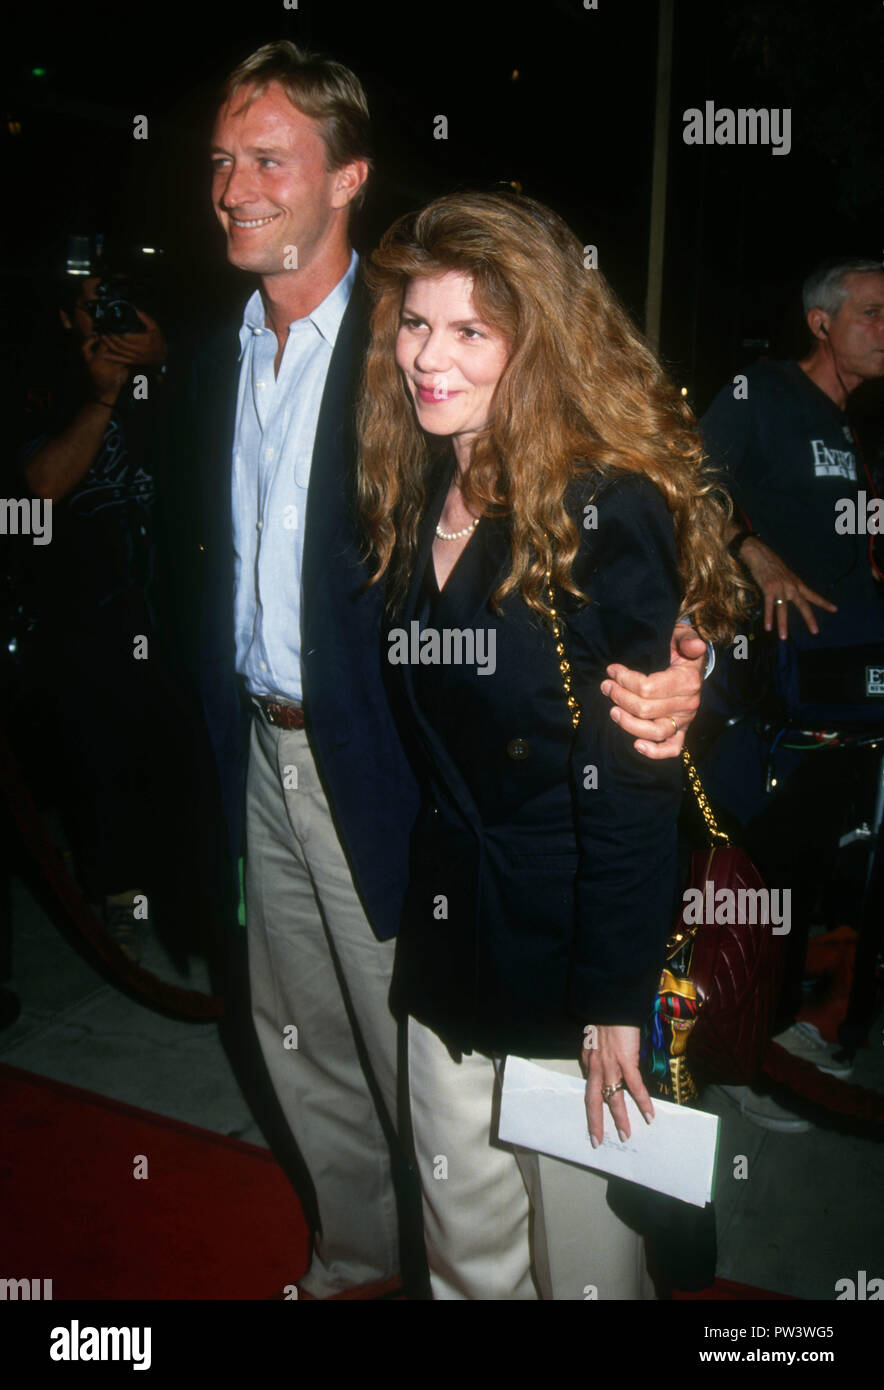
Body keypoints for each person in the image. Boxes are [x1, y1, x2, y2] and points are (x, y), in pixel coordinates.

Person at [189, 40, 709, 1301]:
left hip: (465, 843)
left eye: (269, 158)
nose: (233, 185)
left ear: (345, 177)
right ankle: (357, 1256)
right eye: (219, 160)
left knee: (554, 1212)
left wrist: (701, 661)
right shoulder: (297, 393)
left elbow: (650, 561)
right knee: (372, 1118)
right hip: (340, 812)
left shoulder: (468, 384)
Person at [357, 191, 746, 1299]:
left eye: (471, 330)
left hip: (573, 945)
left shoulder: (601, 504)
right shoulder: (411, 478)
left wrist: (614, 994)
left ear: (537, 343)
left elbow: (632, 782)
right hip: (444, 943)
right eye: (416, 323)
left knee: (583, 1268)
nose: (429, 358)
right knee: (461, 1250)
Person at [699, 259, 884, 1130]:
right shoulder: (763, 392)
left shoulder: (865, 430)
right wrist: (753, 552)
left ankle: (806, 1033)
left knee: (834, 872)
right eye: (874, 312)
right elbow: (686, 482)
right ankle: (731, 1054)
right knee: (754, 874)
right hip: (774, 698)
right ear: (821, 322)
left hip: (858, 697)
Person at [15, 264, 173, 962]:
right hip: (84, 613)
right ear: (63, 320)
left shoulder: (163, 378)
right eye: (90, 307)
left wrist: (160, 359)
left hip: (169, 605)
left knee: (174, 757)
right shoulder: (41, 389)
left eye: (117, 305)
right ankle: (118, 901)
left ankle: (184, 893)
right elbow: (39, 491)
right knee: (100, 758)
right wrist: (102, 399)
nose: (106, 318)